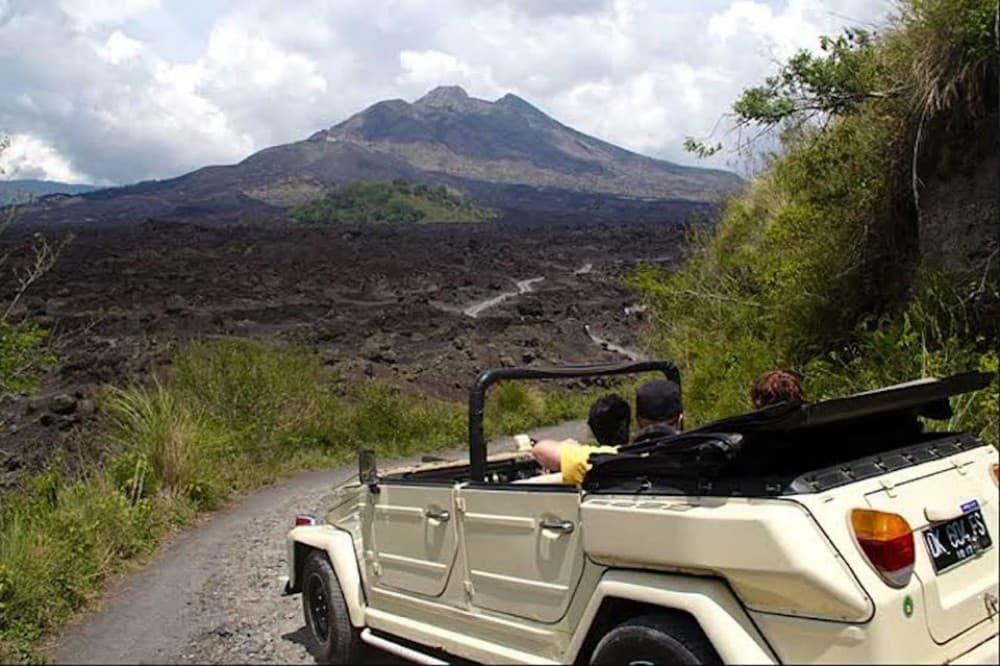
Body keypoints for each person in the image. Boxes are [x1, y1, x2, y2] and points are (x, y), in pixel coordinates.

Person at [531, 380, 684, 485]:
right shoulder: (699, 456)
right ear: (680, 420)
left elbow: (541, 450)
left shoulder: (611, 459)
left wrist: (569, 446)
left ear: (637, 422)